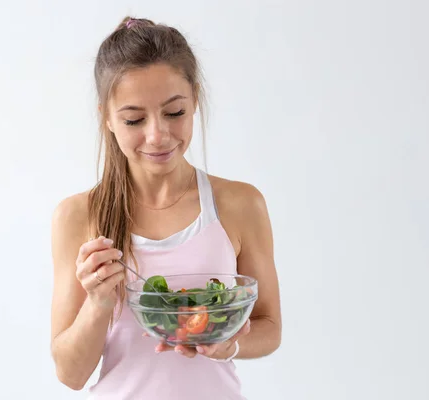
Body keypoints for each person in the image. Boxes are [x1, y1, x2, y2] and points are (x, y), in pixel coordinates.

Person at [50, 16, 282, 399]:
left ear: (194, 100)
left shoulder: (240, 204)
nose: (157, 135)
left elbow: (269, 325)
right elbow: (71, 374)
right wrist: (97, 301)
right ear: (106, 118)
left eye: (174, 113)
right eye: (134, 119)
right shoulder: (78, 216)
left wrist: (230, 345)